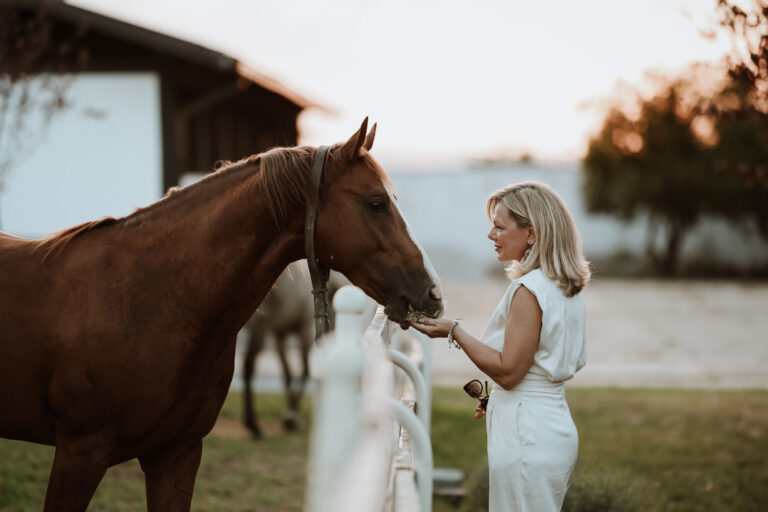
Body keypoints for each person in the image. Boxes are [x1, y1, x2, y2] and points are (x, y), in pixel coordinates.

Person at [410, 180, 590, 512]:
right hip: (550, 423)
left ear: (532, 233)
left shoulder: (529, 289)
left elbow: (509, 372)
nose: (491, 235)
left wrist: (454, 332)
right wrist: (502, 401)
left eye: (499, 227)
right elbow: (535, 368)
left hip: (528, 435)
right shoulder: (563, 286)